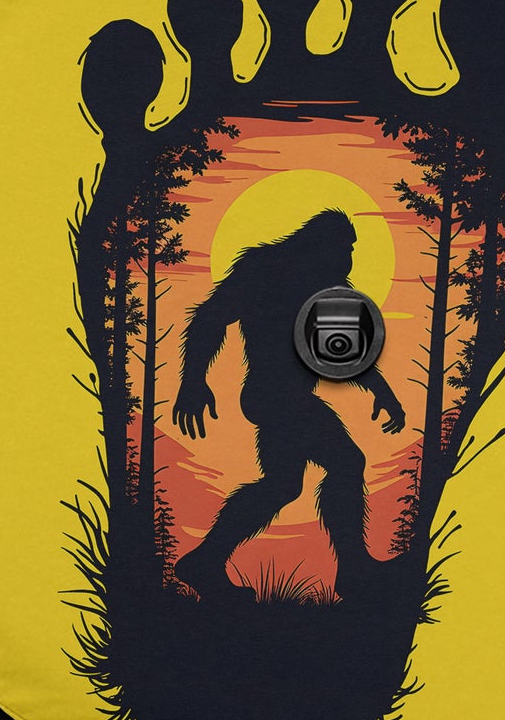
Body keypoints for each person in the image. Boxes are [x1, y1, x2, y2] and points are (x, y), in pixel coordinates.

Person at [173, 209, 404, 600]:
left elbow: (342, 351)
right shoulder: (264, 268)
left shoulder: (326, 287)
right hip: (275, 395)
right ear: (320, 245)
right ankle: (353, 568)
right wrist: (193, 380)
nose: (348, 258)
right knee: (347, 462)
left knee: (282, 486)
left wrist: (382, 391)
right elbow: (211, 318)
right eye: (345, 248)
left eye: (352, 249)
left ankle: (205, 559)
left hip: (286, 398)